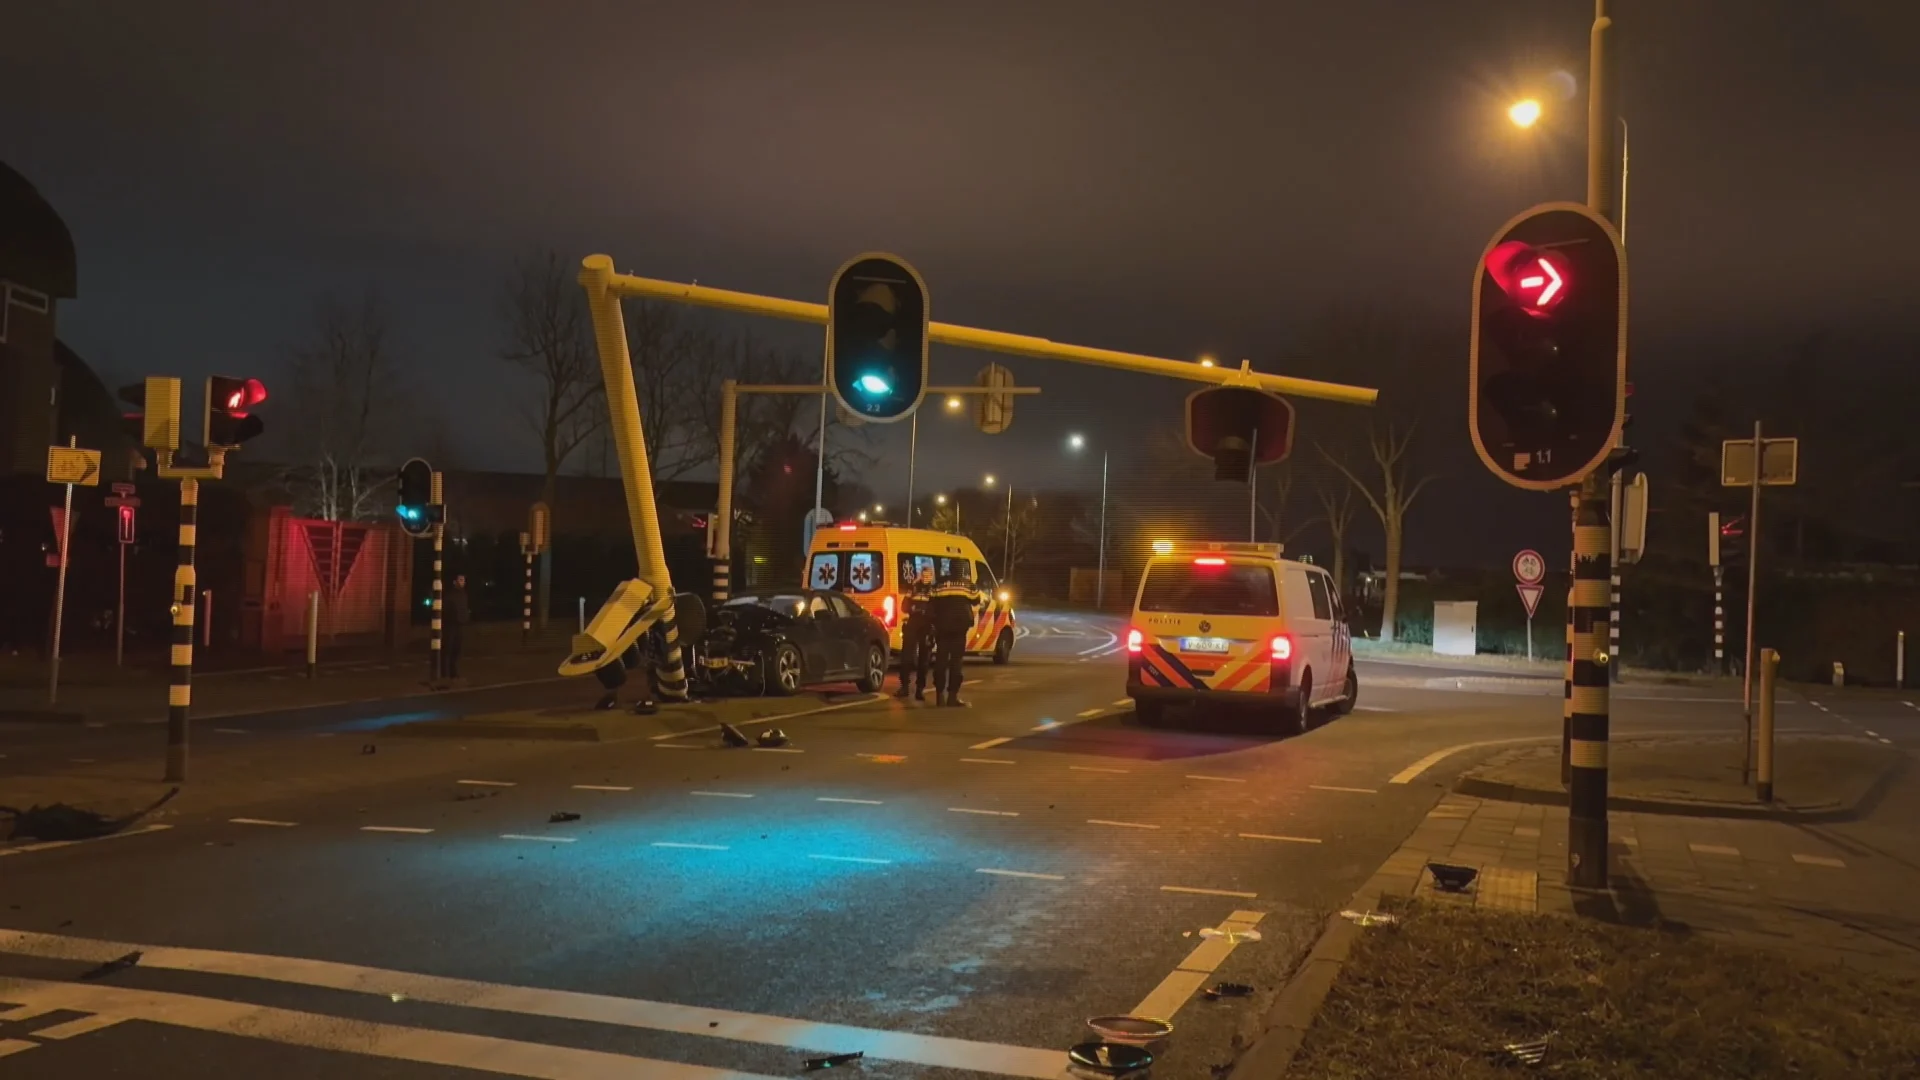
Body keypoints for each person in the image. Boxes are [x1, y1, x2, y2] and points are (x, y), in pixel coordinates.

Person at [928, 568, 981, 707]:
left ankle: (940, 696)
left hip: (942, 628)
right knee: (956, 663)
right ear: (962, 570)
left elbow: (931, 601)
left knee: (941, 661)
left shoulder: (940, 583)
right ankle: (952, 697)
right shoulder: (968, 584)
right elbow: (976, 600)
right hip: (959, 629)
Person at [894, 565, 936, 701]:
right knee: (906, 657)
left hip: (927, 626)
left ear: (932, 576)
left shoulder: (934, 590)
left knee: (924, 660)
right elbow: (904, 606)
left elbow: (937, 609)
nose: (926, 578)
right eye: (924, 575)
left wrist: (926, 613)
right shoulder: (913, 588)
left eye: (929, 576)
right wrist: (914, 608)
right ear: (920, 575)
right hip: (913, 624)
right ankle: (904, 687)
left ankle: (919, 689)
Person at [443, 573, 471, 678]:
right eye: (460, 580)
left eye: (463, 580)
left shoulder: (464, 594)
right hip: (451, 626)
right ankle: (445, 672)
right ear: (455, 582)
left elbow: (464, 608)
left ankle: (453, 671)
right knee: (448, 649)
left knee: (457, 649)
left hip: (460, 625)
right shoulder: (450, 595)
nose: (462, 582)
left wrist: (465, 618)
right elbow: (446, 610)